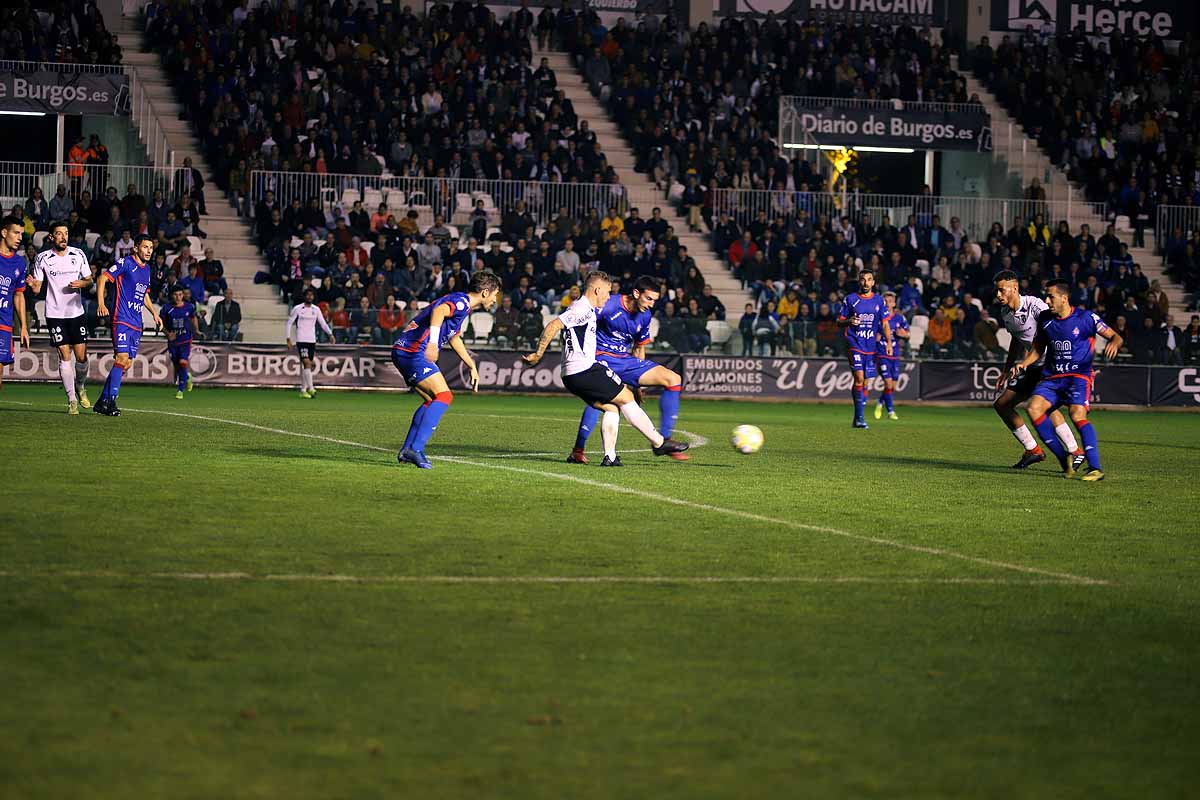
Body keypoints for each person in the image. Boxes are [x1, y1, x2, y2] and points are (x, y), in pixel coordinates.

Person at [524, 271, 688, 466]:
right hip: (590, 365)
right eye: (608, 292)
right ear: (597, 290)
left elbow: (638, 346)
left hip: (575, 373)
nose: (609, 296)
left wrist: (639, 386)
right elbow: (553, 325)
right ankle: (659, 442)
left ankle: (609, 457)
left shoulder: (597, 310)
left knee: (612, 406)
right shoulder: (586, 309)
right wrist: (538, 354)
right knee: (626, 398)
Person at [1005, 280, 1123, 481]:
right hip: (1052, 377)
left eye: (1050, 296)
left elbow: (1115, 336)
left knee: (1076, 414)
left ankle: (1095, 467)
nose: (1046, 300)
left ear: (1064, 298)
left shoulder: (1086, 318)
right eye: (1046, 296)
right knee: (1033, 409)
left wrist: (1114, 342)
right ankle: (1064, 460)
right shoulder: (1044, 318)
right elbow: (1038, 348)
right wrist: (1024, 363)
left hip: (1078, 377)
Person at [391, 271, 501, 469]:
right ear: (485, 292)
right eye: (495, 294)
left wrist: (471, 365)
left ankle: (408, 450)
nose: (495, 300)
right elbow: (439, 311)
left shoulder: (461, 305)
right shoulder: (461, 302)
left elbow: (454, 338)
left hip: (404, 349)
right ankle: (415, 449)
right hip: (413, 350)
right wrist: (433, 343)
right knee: (444, 396)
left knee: (431, 400)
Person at [991, 270, 1085, 470]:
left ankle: (1075, 451)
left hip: (1052, 362)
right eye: (997, 291)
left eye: (1001, 290)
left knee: (1043, 406)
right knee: (1002, 405)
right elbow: (1016, 340)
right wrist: (1007, 369)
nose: (998, 295)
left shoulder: (1036, 307)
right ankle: (1032, 449)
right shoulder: (1006, 313)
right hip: (1032, 364)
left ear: (1014, 288)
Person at [28, 221, 93, 413]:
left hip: (76, 312)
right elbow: (38, 288)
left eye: (65, 233)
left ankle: (80, 386)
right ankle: (72, 400)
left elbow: (89, 281)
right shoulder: (42, 258)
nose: (63, 237)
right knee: (64, 356)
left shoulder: (78, 254)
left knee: (81, 357)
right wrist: (32, 286)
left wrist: (82, 284)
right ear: (51, 237)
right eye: (59, 234)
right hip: (55, 314)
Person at [94, 235, 162, 416]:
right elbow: (102, 279)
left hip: (136, 323)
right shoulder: (125, 263)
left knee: (126, 364)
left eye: (151, 248)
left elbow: (144, 294)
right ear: (136, 248)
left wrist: (154, 312)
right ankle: (111, 402)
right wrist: (101, 303)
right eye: (145, 247)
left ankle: (102, 402)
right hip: (121, 319)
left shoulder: (147, 269)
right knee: (121, 359)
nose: (149, 251)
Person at [838, 268, 893, 429]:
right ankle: (860, 417)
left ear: (873, 283)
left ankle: (857, 419)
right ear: (859, 281)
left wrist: (888, 342)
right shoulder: (851, 299)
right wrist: (849, 321)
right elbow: (839, 321)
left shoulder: (879, 301)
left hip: (871, 346)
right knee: (860, 378)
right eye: (863, 279)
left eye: (869, 279)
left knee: (865, 381)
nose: (866, 282)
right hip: (854, 343)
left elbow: (884, 323)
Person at [0, 216, 31, 390]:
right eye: (16, 233)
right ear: (4, 232)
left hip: (3, 324)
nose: (19, 237)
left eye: (22, 234)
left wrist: (24, 327)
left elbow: (19, 295)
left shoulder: (19, 262)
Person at [286, 288, 333, 398]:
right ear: (304, 296)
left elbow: (323, 323)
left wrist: (330, 334)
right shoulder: (298, 308)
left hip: (311, 340)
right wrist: (288, 339)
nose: (310, 297)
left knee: (306, 366)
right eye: (308, 295)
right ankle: (311, 388)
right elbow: (289, 323)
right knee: (307, 363)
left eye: (312, 295)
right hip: (301, 339)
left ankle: (303, 390)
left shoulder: (316, 309)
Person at [874, 291, 910, 421]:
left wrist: (904, 335)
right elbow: (871, 334)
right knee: (888, 384)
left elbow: (907, 334)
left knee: (892, 387)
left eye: (890, 301)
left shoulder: (900, 318)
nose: (888, 303)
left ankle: (879, 403)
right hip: (882, 354)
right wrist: (875, 338)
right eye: (885, 301)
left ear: (894, 303)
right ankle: (890, 412)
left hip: (895, 355)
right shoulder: (877, 318)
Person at [162, 287, 200, 399]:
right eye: (175, 295)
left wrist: (196, 330)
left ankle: (180, 390)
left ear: (183, 295)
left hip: (185, 340)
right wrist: (167, 333)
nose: (178, 297)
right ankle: (187, 378)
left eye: (180, 294)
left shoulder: (189, 306)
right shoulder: (166, 308)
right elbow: (160, 323)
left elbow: (194, 318)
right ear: (172, 296)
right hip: (173, 341)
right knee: (177, 365)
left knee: (183, 362)